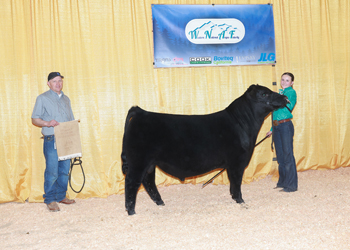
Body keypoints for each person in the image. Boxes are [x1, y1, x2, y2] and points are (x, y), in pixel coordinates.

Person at [32, 72, 76, 212]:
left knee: (64, 170)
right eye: (54, 81)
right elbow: (34, 119)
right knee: (52, 171)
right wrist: (47, 123)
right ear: (48, 83)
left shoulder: (66, 99)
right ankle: (50, 199)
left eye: (60, 81)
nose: (58, 84)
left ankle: (61, 195)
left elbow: (71, 120)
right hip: (52, 139)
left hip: (66, 139)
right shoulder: (42, 98)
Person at [266, 72, 297, 192]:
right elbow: (276, 114)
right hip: (277, 127)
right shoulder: (280, 93)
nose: (284, 82)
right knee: (280, 156)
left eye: (287, 80)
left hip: (285, 126)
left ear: (292, 83)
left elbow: (284, 105)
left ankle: (291, 185)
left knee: (288, 155)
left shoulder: (290, 92)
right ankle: (283, 182)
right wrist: (271, 129)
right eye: (283, 80)